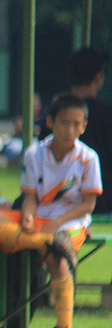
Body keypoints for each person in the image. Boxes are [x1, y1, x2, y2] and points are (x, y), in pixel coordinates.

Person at [0, 94, 100, 328]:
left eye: (77, 124)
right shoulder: (35, 153)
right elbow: (30, 197)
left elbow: (87, 204)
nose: (70, 130)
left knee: (56, 257)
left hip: (70, 222)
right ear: (51, 122)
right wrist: (29, 214)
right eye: (64, 123)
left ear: (84, 126)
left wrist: (55, 224)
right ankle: (43, 242)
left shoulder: (88, 158)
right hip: (41, 220)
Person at [68, 48, 112, 215]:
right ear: (98, 77)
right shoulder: (106, 114)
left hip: (62, 199)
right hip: (104, 200)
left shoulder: (54, 114)